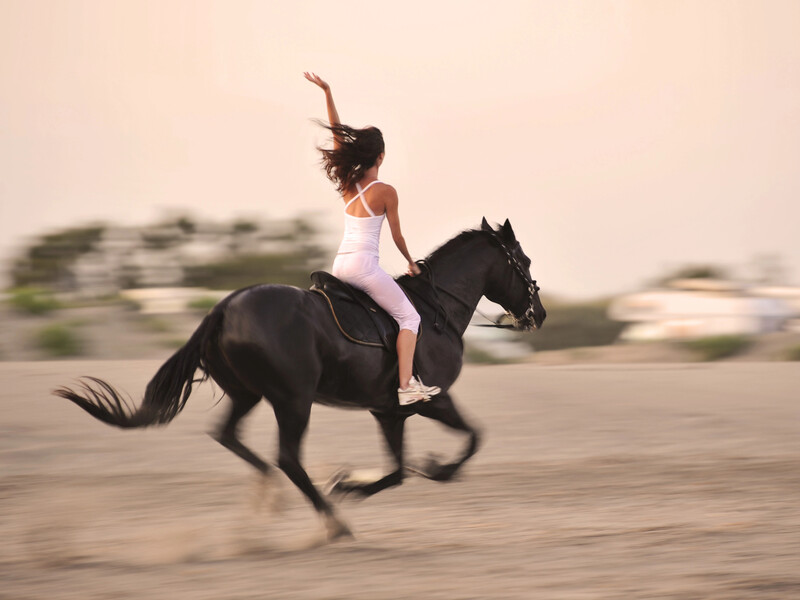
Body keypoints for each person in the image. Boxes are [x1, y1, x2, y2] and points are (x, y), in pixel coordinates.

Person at [304, 72, 440, 406]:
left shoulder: (348, 185)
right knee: (410, 318)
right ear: (380, 157)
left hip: (341, 265)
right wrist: (411, 263)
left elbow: (337, 136)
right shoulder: (386, 192)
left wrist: (327, 92)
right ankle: (406, 386)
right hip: (364, 267)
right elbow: (397, 235)